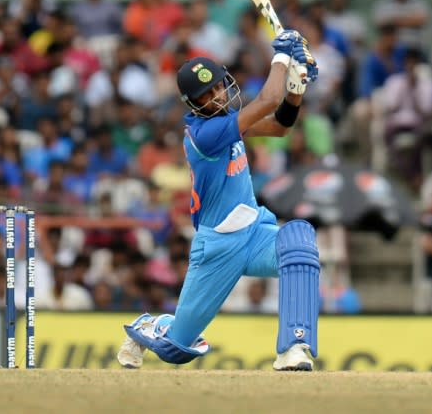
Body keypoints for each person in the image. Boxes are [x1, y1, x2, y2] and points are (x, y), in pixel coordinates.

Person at [117, 30, 321, 372]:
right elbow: (268, 101)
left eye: (217, 87)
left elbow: (280, 125)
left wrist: (297, 88)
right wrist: (282, 57)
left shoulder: (227, 122)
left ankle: (294, 347)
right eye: (205, 94)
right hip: (218, 247)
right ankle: (147, 328)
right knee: (176, 349)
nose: (216, 96)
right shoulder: (204, 135)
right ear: (192, 103)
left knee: (299, 245)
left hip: (255, 232)